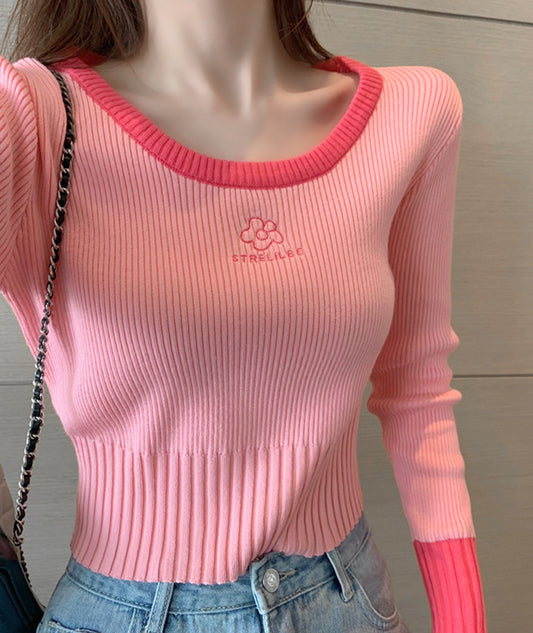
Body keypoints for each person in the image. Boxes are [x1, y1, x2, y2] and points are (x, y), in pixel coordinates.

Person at [0, 1, 487, 631]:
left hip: (346, 600)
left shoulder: (413, 113)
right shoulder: (35, 117)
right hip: (128, 609)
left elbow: (417, 387)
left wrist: (464, 618)